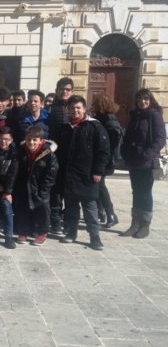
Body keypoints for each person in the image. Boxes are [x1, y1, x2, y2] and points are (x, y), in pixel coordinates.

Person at [56, 95, 110, 250]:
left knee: (90, 208)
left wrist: (98, 171)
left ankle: (95, 237)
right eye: (72, 108)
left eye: (78, 107)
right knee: (71, 207)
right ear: (68, 110)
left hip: (87, 176)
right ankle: (71, 233)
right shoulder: (65, 128)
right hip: (69, 175)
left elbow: (103, 151)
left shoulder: (95, 127)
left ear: (84, 109)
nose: (75, 110)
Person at [121, 89, 166, 239]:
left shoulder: (154, 115)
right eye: (139, 99)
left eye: (145, 99)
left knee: (145, 192)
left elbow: (160, 139)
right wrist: (125, 153)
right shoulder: (135, 116)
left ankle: (144, 224)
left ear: (150, 100)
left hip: (146, 162)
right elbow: (128, 137)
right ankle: (135, 223)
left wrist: (146, 155)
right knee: (136, 191)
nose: (142, 102)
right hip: (134, 161)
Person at [14, 126, 58, 246]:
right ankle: (23, 231)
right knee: (23, 208)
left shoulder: (48, 154)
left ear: (40, 140)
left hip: (41, 186)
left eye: (34, 140)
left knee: (43, 207)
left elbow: (51, 174)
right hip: (24, 185)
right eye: (29, 139)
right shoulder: (20, 151)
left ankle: (42, 232)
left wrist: (43, 190)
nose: (31, 142)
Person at [92, 92, 123, 228]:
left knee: (100, 186)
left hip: (104, 159)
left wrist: (105, 153)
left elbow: (113, 139)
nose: (92, 106)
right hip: (99, 158)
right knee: (96, 185)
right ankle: (101, 212)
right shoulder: (100, 117)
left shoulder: (109, 119)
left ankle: (110, 214)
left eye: (94, 103)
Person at [47, 77, 74, 234]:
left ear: (72, 91)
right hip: (56, 154)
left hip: (72, 156)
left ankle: (69, 222)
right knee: (56, 190)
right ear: (57, 90)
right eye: (62, 89)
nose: (64, 92)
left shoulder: (76, 106)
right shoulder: (51, 108)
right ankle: (55, 221)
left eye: (67, 89)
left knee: (70, 191)